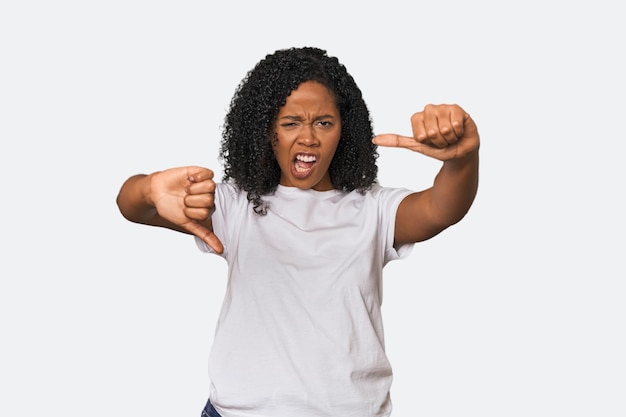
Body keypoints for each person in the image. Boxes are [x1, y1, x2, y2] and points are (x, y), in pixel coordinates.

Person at [116, 46, 479, 417]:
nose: (308, 138)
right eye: (290, 123)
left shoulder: (373, 208)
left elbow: (442, 208)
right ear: (266, 130)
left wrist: (463, 159)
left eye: (323, 122)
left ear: (345, 129)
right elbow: (132, 206)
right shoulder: (237, 205)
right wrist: (147, 190)